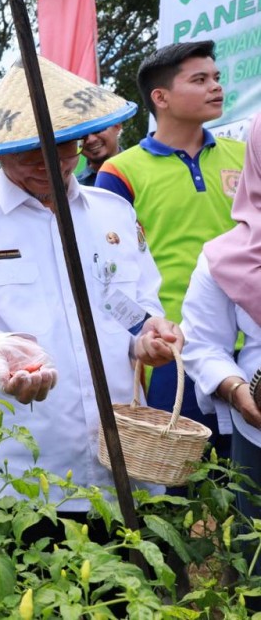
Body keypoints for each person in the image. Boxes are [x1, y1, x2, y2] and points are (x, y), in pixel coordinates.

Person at [0, 56, 182, 537]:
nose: (51, 164)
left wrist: (148, 338)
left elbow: (132, 308)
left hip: (123, 455)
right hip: (24, 469)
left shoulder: (113, 214)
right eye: (30, 153)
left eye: (63, 149)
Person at [95, 40, 245, 450]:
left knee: (248, 489)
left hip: (249, 347)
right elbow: (107, 271)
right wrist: (140, 339)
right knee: (178, 487)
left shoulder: (248, 157)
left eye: (216, 78)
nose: (215, 86)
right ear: (159, 97)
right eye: (199, 80)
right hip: (170, 351)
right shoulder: (120, 172)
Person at [181, 114, 261, 578]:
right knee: (256, 560)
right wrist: (234, 388)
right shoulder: (224, 257)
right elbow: (203, 344)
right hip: (259, 432)